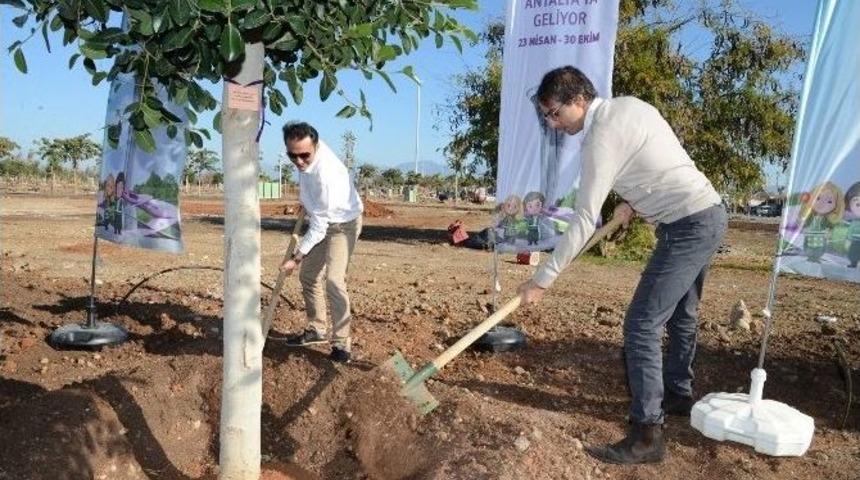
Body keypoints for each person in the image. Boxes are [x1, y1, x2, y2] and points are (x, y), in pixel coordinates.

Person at [516, 66, 728, 465]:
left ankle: (647, 434)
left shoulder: (599, 138)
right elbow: (656, 157)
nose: (552, 123)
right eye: (547, 116)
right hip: (708, 212)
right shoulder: (629, 107)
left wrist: (542, 279)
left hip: (687, 226)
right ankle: (678, 394)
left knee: (641, 324)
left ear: (579, 99)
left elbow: (584, 219)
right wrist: (634, 198)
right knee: (683, 313)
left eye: (554, 113)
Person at [279, 122, 363, 364]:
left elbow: (319, 228)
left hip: (344, 225)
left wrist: (296, 257)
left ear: (316, 146)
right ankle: (317, 329)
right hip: (323, 219)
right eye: (292, 156)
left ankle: (341, 344)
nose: (299, 161)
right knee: (309, 277)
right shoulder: (305, 158)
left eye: (305, 155)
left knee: (335, 281)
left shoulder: (326, 175)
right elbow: (314, 210)